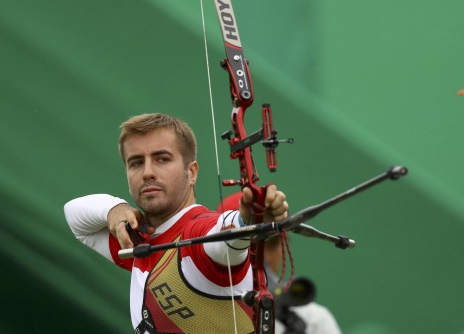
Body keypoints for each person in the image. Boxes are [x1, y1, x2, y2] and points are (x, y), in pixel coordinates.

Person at [64, 113, 289, 333]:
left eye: (162, 159)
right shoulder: (138, 242)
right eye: (136, 163)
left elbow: (224, 235)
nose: (148, 172)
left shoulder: (197, 235)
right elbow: (75, 218)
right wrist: (113, 209)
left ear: (191, 172)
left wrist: (249, 219)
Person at [220, 194, 342, 334]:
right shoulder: (198, 313)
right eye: (246, 246)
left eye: (272, 243)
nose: (261, 257)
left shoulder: (313, 320)